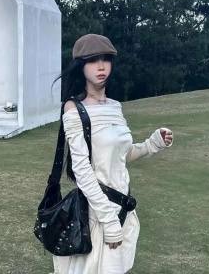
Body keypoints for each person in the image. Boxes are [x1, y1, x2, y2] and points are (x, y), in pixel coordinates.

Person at [52, 34, 173, 274]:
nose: (101, 66)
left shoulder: (115, 106)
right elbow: (82, 170)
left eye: (106, 59)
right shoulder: (73, 108)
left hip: (123, 208)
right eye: (92, 60)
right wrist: (107, 219)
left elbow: (121, 157)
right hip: (97, 214)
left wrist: (152, 144)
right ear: (81, 66)